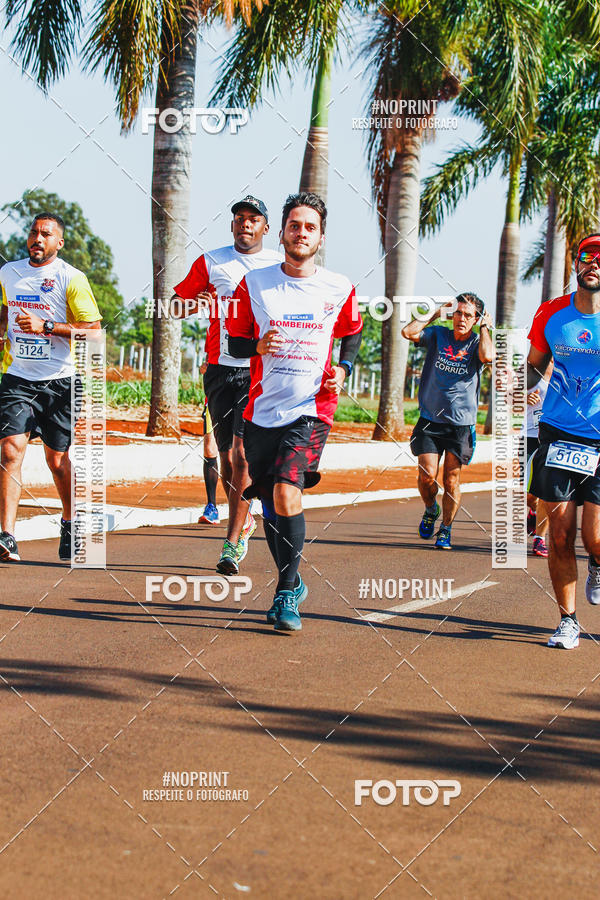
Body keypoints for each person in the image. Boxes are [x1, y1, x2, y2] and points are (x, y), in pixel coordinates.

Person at [226, 191, 363, 632]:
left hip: (312, 409)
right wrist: (257, 346)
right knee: (269, 503)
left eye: (310, 227)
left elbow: (352, 334)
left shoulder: (338, 287)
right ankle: (293, 580)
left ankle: (286, 591)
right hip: (263, 411)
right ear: (281, 231)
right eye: (294, 225)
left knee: (287, 491)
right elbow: (235, 342)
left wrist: (343, 367)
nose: (301, 233)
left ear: (320, 237)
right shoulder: (256, 283)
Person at [171, 197, 282, 573]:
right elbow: (173, 304)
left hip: (258, 369)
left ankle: (231, 544)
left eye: (253, 220)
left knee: (241, 456)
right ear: (232, 225)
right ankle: (245, 516)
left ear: (266, 228)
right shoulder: (211, 261)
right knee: (224, 459)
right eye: (239, 219)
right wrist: (191, 305)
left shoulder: (278, 266)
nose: (245, 225)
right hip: (219, 369)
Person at [0, 213, 102, 561]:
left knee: (57, 460)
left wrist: (47, 326)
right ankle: (7, 535)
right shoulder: (8, 272)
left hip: (61, 381)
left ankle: (71, 521)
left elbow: (93, 331)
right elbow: (5, 307)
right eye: (33, 232)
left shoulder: (71, 278)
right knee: (11, 449)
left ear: (59, 242)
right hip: (18, 377)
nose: (37, 239)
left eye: (46, 234)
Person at [527, 233, 600, 650]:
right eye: (587, 256)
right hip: (557, 432)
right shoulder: (552, 313)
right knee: (558, 531)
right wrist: (524, 384)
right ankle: (568, 620)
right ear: (576, 263)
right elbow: (535, 364)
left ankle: (598, 564)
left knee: (595, 537)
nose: (594, 264)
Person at [402, 294, 495, 550]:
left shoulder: (478, 342)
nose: (461, 319)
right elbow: (408, 332)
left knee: (451, 480)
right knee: (426, 475)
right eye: (458, 313)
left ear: (475, 319)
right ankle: (431, 509)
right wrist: (434, 313)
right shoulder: (437, 335)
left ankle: (446, 529)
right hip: (430, 419)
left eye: (468, 315)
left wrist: (485, 326)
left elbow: (487, 357)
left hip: (460, 425)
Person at [524, 361, 553, 557]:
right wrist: (523, 398)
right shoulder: (531, 369)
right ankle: (532, 511)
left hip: (553, 437)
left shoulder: (568, 369)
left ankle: (540, 539)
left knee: (547, 492)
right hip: (531, 436)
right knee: (528, 494)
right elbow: (508, 396)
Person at [198, 362, 220, 524]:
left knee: (237, 453)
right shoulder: (211, 336)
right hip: (214, 397)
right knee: (209, 448)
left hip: (241, 394)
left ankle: (244, 505)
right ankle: (211, 506)